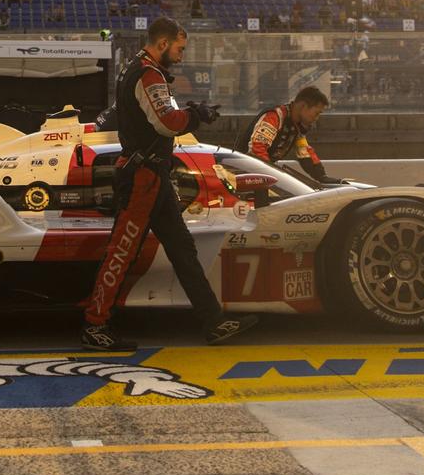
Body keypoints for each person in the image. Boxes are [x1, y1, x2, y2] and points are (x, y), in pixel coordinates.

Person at [81, 18, 258, 352]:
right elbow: (168, 122)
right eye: (179, 48)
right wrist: (197, 114)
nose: (181, 55)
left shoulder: (135, 67)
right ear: (162, 43)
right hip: (143, 178)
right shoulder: (149, 73)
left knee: (183, 250)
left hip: (152, 176)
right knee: (123, 251)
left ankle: (213, 321)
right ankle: (95, 324)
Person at [246, 86, 333, 186]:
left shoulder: (296, 127)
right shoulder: (275, 116)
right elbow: (257, 149)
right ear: (303, 106)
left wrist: (322, 176)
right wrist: (272, 175)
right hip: (245, 174)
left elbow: (304, 153)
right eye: (316, 113)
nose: (317, 118)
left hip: (259, 174)